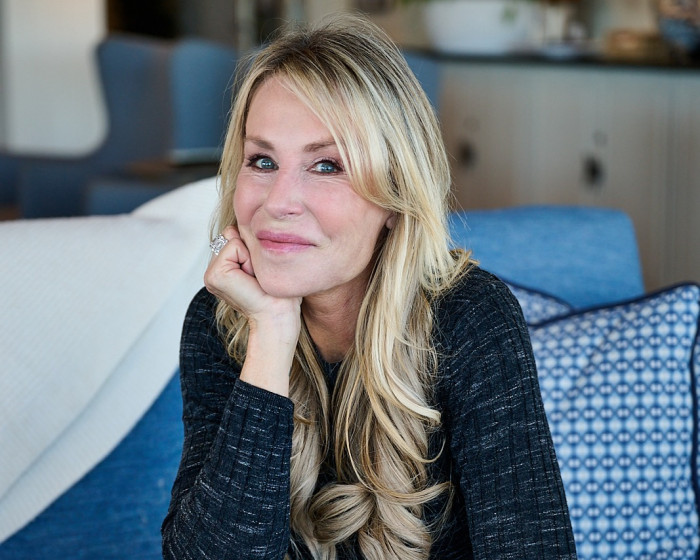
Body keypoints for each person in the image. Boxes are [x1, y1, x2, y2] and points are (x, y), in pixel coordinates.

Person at [162, 13, 577, 560]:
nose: (278, 202)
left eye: (327, 166)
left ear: (395, 195)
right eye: (262, 160)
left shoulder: (470, 318)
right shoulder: (223, 320)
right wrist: (270, 336)